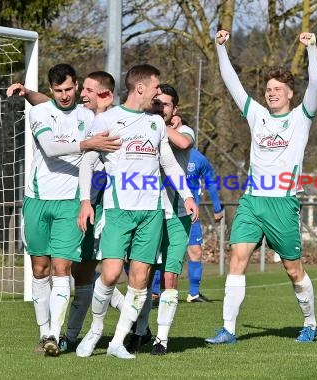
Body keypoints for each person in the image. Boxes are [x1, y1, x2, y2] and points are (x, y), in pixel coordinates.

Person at [205, 30, 317, 345]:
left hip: (283, 204)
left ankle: (310, 323)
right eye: (268, 89)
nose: (271, 93)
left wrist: (311, 48)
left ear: (289, 94)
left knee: (293, 270)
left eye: (277, 89)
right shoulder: (256, 114)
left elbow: (316, 84)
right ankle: (228, 329)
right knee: (237, 257)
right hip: (253, 201)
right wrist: (221, 48)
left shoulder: (302, 117)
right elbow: (232, 84)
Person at [75, 65, 198, 360]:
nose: (158, 92)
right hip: (119, 210)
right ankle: (94, 331)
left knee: (140, 280)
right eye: (156, 87)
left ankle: (118, 341)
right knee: (110, 274)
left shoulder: (155, 123)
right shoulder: (107, 119)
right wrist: (85, 201)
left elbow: (168, 163)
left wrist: (188, 196)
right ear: (140, 88)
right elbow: (87, 162)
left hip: (151, 211)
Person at [8, 71, 116, 353]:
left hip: (71, 202)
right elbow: (50, 147)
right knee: (39, 268)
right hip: (38, 199)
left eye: (69, 89)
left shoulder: (89, 117)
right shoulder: (39, 112)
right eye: (58, 90)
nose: (65, 95)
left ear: (76, 86)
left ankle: (54, 336)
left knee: (62, 268)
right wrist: (86, 144)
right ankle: (44, 333)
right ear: (51, 90)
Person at [127, 84, 198, 356]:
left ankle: (162, 339)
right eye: (156, 102)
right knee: (142, 276)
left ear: (174, 109)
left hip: (177, 215)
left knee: (169, 276)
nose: (160, 107)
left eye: (165, 104)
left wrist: (155, 122)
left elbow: (184, 143)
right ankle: (140, 332)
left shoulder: (183, 129)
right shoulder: (142, 126)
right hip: (147, 212)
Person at [150, 147, 224, 304]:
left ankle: (194, 294)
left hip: (190, 214)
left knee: (195, 251)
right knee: (159, 253)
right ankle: (154, 293)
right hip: (165, 212)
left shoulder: (199, 158)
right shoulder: (162, 153)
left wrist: (217, 207)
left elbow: (210, 181)